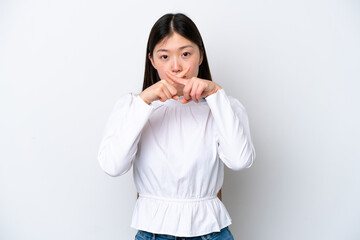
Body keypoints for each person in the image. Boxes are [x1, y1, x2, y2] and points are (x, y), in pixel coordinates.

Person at [98, 13, 256, 240]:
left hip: (211, 233)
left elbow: (240, 160)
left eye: (185, 54)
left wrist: (215, 95)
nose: (176, 66)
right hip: (154, 233)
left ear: (200, 55)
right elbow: (113, 166)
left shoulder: (224, 107)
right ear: (151, 60)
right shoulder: (132, 107)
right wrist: (144, 102)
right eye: (164, 56)